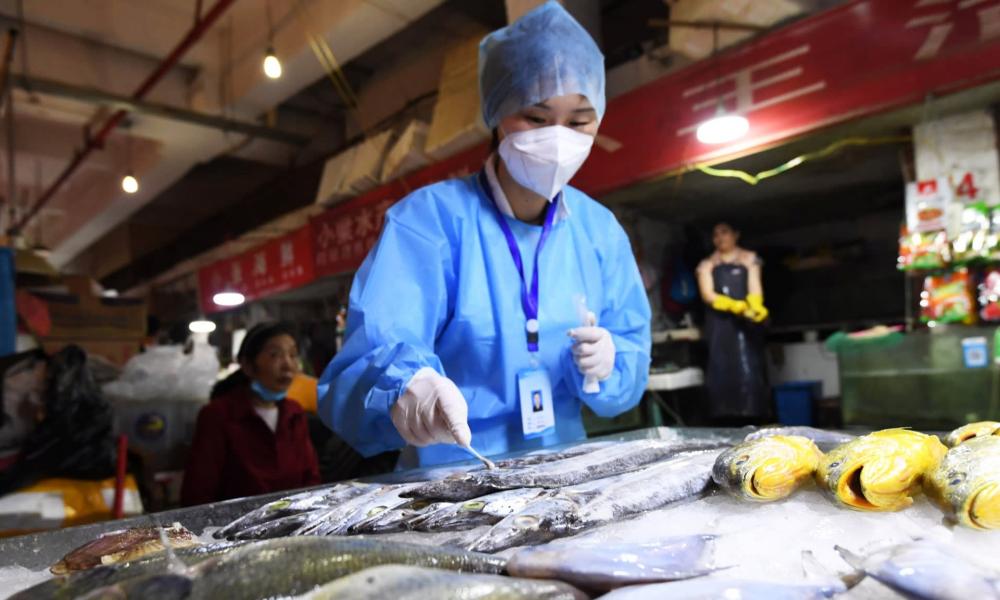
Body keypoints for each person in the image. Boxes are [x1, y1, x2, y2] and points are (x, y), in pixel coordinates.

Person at [319, 1, 651, 468]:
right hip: (451, 479)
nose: (558, 139)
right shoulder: (429, 222)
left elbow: (628, 364)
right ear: (497, 112)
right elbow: (371, 353)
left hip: (564, 469)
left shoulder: (600, 233)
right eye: (535, 118)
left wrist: (612, 362)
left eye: (579, 120)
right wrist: (406, 385)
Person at [182, 322, 319, 506]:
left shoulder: (294, 413)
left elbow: (311, 479)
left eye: (293, 355)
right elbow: (198, 493)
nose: (288, 364)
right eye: (274, 355)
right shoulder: (218, 415)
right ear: (247, 365)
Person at [696, 222, 770, 425]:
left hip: (746, 323)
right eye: (715, 234)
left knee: (751, 364)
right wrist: (731, 305)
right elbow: (707, 294)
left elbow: (755, 287)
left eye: (725, 233)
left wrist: (754, 305)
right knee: (721, 365)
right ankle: (725, 417)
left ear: (736, 235)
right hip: (720, 324)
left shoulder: (750, 258)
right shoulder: (707, 264)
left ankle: (755, 414)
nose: (720, 238)